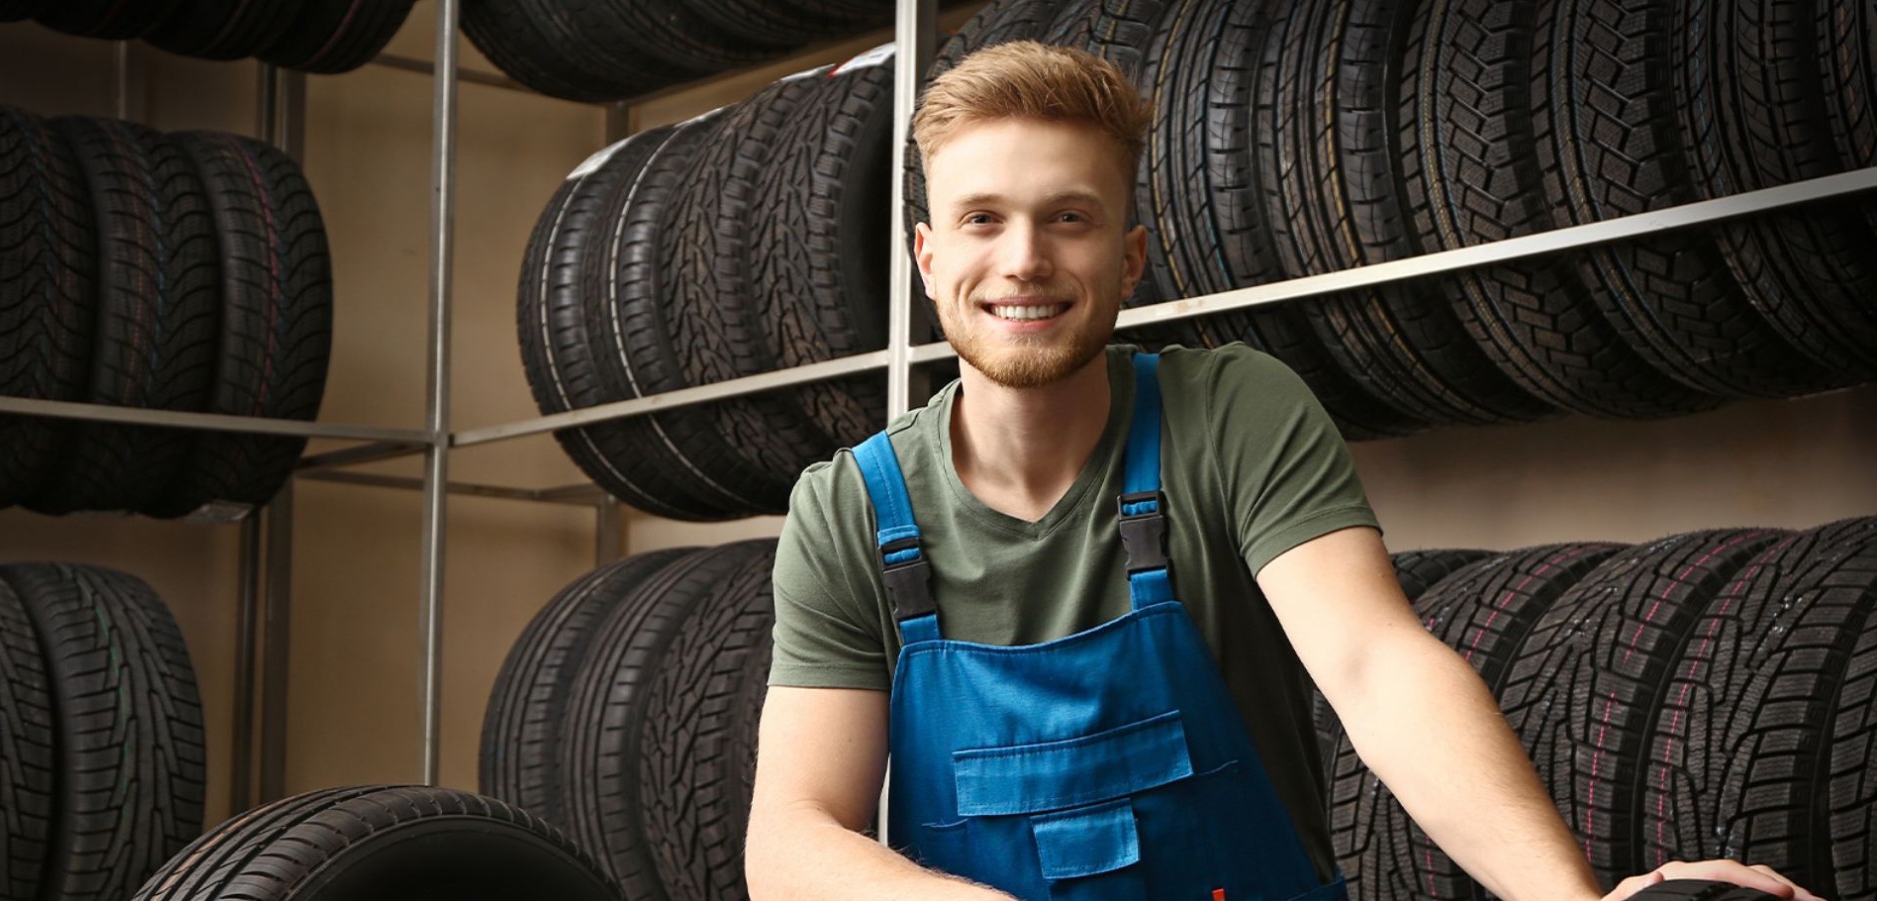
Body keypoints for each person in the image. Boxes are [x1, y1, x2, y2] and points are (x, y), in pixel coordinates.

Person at [743, 41, 1819, 901]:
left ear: (1127, 256)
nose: (1024, 258)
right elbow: (792, 838)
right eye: (984, 219)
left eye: (1068, 218)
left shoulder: (1231, 412)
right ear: (930, 259)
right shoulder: (849, 509)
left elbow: (1375, 666)